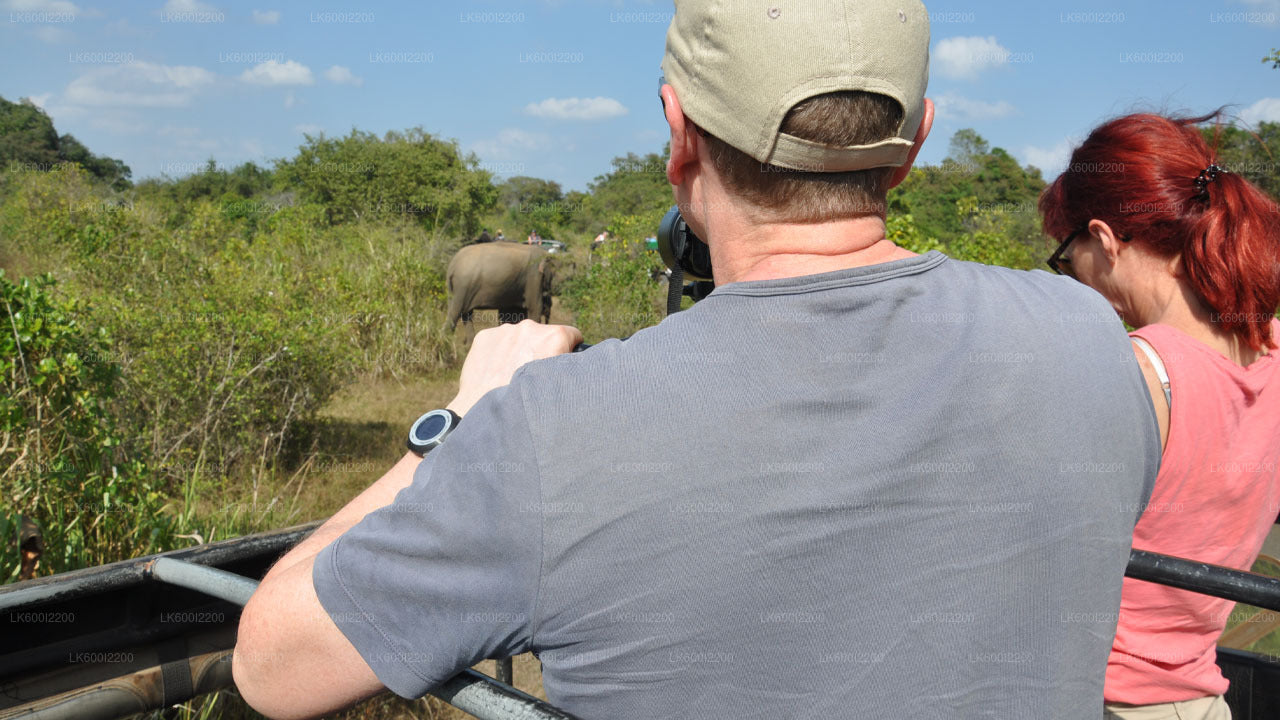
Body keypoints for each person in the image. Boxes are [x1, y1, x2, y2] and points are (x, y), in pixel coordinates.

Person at [232, 2, 1160, 718]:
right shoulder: (1091, 337)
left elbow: (274, 669)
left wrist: (456, 427)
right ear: (915, 141)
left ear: (678, 133)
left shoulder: (553, 427)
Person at [1039, 111, 1280, 720]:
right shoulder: (1272, 351)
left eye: (1066, 258)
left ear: (1105, 239)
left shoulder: (1137, 371)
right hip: (1199, 697)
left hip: (1100, 696)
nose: (1075, 280)